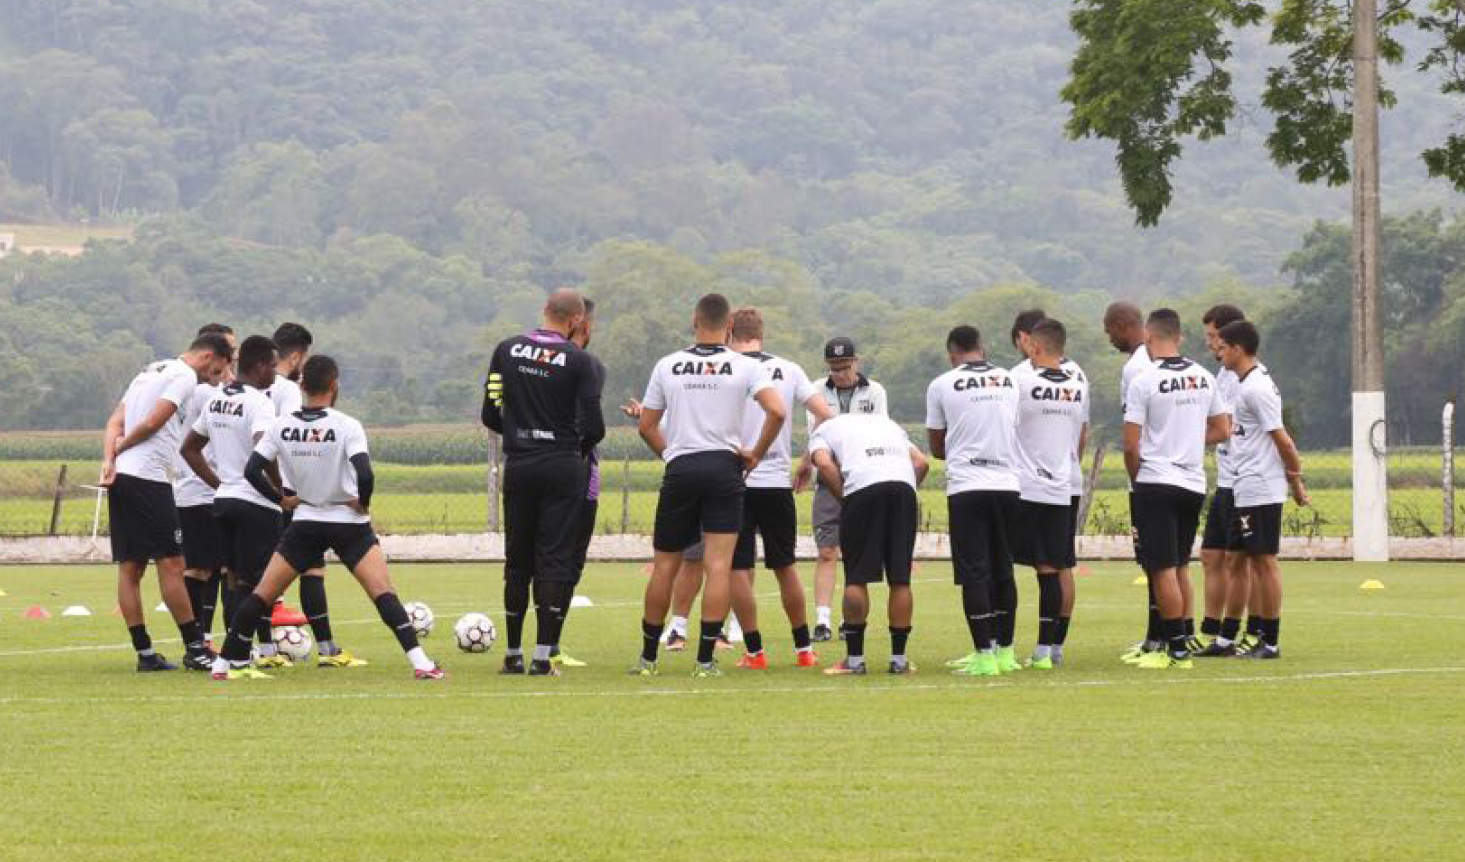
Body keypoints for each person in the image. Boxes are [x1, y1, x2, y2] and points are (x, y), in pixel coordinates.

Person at [210, 355, 444, 681]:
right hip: (349, 524)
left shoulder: (282, 424)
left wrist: (281, 500)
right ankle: (421, 663)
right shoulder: (347, 425)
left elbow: (252, 470)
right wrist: (363, 502)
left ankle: (222, 665)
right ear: (334, 385)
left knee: (261, 595)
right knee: (383, 593)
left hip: (305, 522)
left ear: (302, 385)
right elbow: (365, 472)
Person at [632, 293, 786, 677]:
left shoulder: (668, 364)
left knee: (665, 564)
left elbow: (647, 426)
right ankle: (704, 660)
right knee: (719, 566)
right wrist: (754, 453)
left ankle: (648, 658)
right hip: (724, 467)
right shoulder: (744, 366)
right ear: (729, 327)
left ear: (694, 320)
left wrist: (671, 457)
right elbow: (779, 411)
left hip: (682, 466)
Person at [482, 288, 605, 676]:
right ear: (576, 321)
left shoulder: (507, 349)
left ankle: (513, 653)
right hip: (563, 466)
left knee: (517, 561)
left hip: (520, 463)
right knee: (552, 559)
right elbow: (595, 427)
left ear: (545, 311)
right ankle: (542, 656)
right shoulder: (580, 361)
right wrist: (573, 448)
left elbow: (490, 411)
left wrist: (519, 433)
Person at [101, 332, 234, 671]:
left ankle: (145, 653)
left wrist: (109, 459)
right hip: (148, 478)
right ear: (208, 356)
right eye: (219, 368)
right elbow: (154, 421)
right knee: (173, 564)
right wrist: (122, 447)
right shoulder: (183, 375)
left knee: (130, 569)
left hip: (124, 478)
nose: (216, 375)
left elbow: (115, 420)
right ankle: (196, 648)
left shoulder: (149, 371)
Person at [727, 308, 834, 670]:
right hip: (775, 482)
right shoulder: (788, 368)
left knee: (737, 568)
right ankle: (803, 648)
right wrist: (807, 458)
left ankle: (754, 652)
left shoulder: (725, 366)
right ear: (761, 333)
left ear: (730, 332)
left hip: (735, 479)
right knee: (785, 566)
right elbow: (825, 415)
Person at [1122, 309, 1229, 670]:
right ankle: (1183, 638)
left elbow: (1131, 445)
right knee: (1182, 565)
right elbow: (1222, 429)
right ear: (1179, 337)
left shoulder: (1144, 380)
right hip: (1192, 482)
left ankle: (1175, 649)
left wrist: (1139, 479)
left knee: (1162, 568)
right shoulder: (1203, 376)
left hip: (1157, 480)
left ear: (1149, 339)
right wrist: (1187, 440)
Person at [182, 336, 291, 667]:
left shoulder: (216, 399)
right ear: (259, 366)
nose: (275, 372)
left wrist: (221, 484)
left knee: (232, 580)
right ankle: (237, 658)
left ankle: (234, 658)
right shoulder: (260, 403)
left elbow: (189, 448)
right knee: (256, 585)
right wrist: (281, 491)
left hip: (225, 501)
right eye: (272, 366)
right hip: (255, 504)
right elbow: (264, 448)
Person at [925, 325, 1020, 678]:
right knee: (1003, 570)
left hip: (967, 486)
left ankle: (983, 656)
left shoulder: (942, 383)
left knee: (974, 574)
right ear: (983, 347)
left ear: (953, 354)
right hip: (1009, 484)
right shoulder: (1010, 380)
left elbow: (937, 446)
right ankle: (1005, 652)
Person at [1212, 320, 1308, 658]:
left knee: (1264, 560)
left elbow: (1282, 438)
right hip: (1243, 483)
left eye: (1222, 347)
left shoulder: (1256, 389)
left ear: (1238, 348)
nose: (1218, 353)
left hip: (1260, 485)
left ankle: (1271, 640)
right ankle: (1228, 638)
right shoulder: (1242, 384)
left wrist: (1295, 479)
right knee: (1237, 560)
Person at [809, 414, 929, 675]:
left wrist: (846, 499)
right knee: (900, 578)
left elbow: (824, 465)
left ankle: (854, 661)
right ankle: (899, 661)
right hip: (903, 489)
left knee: (856, 577)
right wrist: (903, 493)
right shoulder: (889, 424)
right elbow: (921, 463)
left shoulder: (822, 431)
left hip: (862, 489)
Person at [1010, 310, 1089, 665]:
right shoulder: (1079, 383)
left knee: (1014, 565)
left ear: (1034, 344)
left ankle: (1003, 647)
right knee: (1057, 565)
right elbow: (1082, 435)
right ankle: (1051, 646)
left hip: (1026, 486)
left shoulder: (1019, 381)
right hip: (1064, 483)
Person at [799, 336, 888, 642]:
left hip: (863, 478)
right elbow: (816, 434)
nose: (839, 373)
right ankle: (822, 620)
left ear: (856, 362)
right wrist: (806, 465)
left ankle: (852, 619)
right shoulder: (816, 391)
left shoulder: (874, 392)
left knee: (855, 551)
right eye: (834, 368)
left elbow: (881, 430)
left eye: (844, 367)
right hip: (828, 477)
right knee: (826, 551)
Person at [265, 322, 338, 661]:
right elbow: (288, 441)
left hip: (253, 492)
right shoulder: (288, 391)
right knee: (311, 569)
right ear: (296, 356)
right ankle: (327, 649)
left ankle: (261, 648)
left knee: (256, 574)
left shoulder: (252, 385)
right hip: (287, 493)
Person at [1104, 300, 1165, 661]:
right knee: (1164, 562)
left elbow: (1133, 435)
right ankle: (1165, 634)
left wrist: (1136, 479)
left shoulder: (1135, 369)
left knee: (1153, 561)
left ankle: (1158, 639)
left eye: (1109, 329)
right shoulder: (1156, 360)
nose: (1108, 337)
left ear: (1124, 325)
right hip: (1172, 474)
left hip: (1146, 477)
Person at [174, 323, 235, 642]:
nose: (230, 364)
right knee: (201, 568)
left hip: (201, 491)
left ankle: (205, 638)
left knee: (214, 567)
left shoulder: (194, 389)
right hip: (199, 491)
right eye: (228, 355)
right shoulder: (201, 391)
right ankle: (197, 640)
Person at [558, 297, 605, 669]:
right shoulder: (589, 366)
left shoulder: (528, 360)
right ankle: (550, 644)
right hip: (577, 473)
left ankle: (524, 647)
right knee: (570, 560)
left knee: (536, 558)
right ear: (582, 325)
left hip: (532, 466)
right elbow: (592, 427)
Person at [1197, 303, 1247, 652]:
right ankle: (1210, 629)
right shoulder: (1222, 375)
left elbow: (1224, 428)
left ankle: (1233, 632)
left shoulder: (1240, 377)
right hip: (1225, 480)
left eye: (1215, 337)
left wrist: (1178, 440)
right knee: (1211, 556)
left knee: (1239, 560)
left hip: (1243, 481)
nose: (1211, 345)